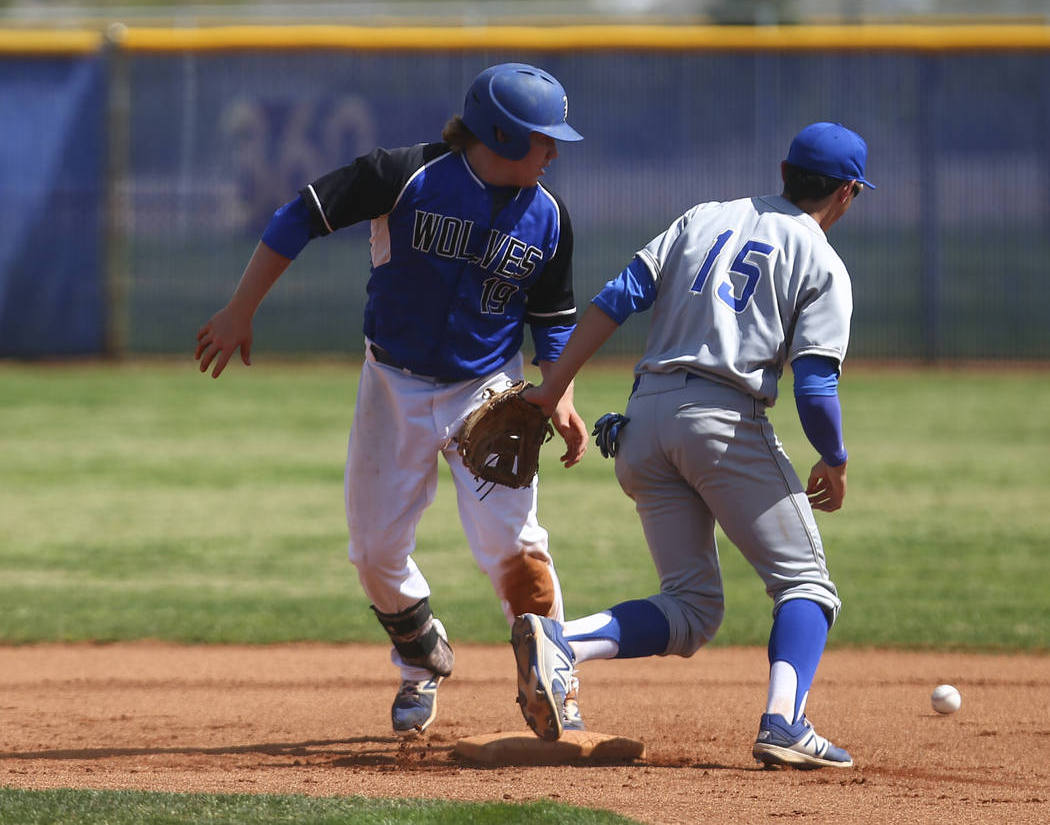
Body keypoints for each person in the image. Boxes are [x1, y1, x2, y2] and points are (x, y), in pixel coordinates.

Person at [195, 62, 589, 738]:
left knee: (516, 546)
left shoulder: (549, 218)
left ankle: (553, 681)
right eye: (542, 138)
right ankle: (419, 652)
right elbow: (299, 217)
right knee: (374, 551)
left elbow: (553, 319)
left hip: (488, 389)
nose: (554, 151)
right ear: (499, 134)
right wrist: (240, 308)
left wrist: (560, 395)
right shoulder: (402, 174)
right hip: (393, 382)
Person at [510, 122, 874, 769]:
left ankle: (560, 642)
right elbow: (815, 385)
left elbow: (616, 298)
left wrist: (552, 386)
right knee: (807, 586)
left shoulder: (707, 215)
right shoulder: (820, 258)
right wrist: (836, 456)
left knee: (692, 605)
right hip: (724, 420)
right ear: (847, 193)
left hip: (643, 418)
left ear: (785, 173)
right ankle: (785, 722)